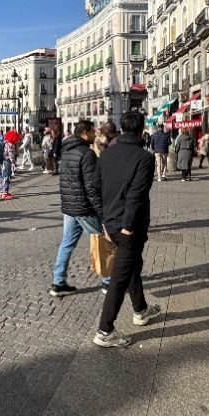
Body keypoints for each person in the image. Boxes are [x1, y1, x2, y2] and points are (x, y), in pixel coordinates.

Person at [93, 111, 161, 348]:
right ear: (141, 129)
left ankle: (141, 309)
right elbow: (136, 195)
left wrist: (103, 218)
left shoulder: (106, 155)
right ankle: (105, 330)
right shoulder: (145, 158)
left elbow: (95, 188)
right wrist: (129, 226)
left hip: (111, 223)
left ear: (122, 129)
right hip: (128, 227)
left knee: (131, 267)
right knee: (120, 278)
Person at [51, 119, 109, 297]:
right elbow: (92, 187)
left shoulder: (66, 151)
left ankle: (58, 282)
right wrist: (102, 212)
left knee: (66, 245)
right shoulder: (86, 153)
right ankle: (108, 282)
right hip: (84, 209)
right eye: (92, 131)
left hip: (69, 208)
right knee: (101, 241)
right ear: (85, 133)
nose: (95, 135)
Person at [0, 128, 19, 200]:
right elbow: (11, 155)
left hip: (2, 161)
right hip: (7, 162)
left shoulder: (5, 142)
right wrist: (14, 163)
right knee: (6, 177)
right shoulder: (11, 144)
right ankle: (4, 193)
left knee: (3, 177)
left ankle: (3, 192)